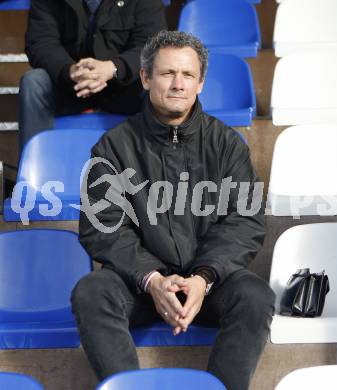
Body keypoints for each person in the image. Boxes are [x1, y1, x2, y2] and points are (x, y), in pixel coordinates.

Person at [71, 30, 275, 390]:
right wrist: (152, 278)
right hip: (140, 285)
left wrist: (203, 277)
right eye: (167, 74)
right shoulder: (114, 147)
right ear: (146, 78)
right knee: (92, 292)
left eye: (188, 75)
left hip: (210, 284)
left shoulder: (227, 145)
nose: (178, 84)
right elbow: (103, 226)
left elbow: (244, 220)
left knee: (255, 296)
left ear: (200, 84)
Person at [18, 0, 166, 152]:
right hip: (70, 85)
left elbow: (151, 46)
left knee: (156, 85)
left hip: (123, 88)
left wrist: (113, 68)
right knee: (34, 82)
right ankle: (35, 167)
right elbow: (41, 42)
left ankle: (155, 168)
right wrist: (70, 70)